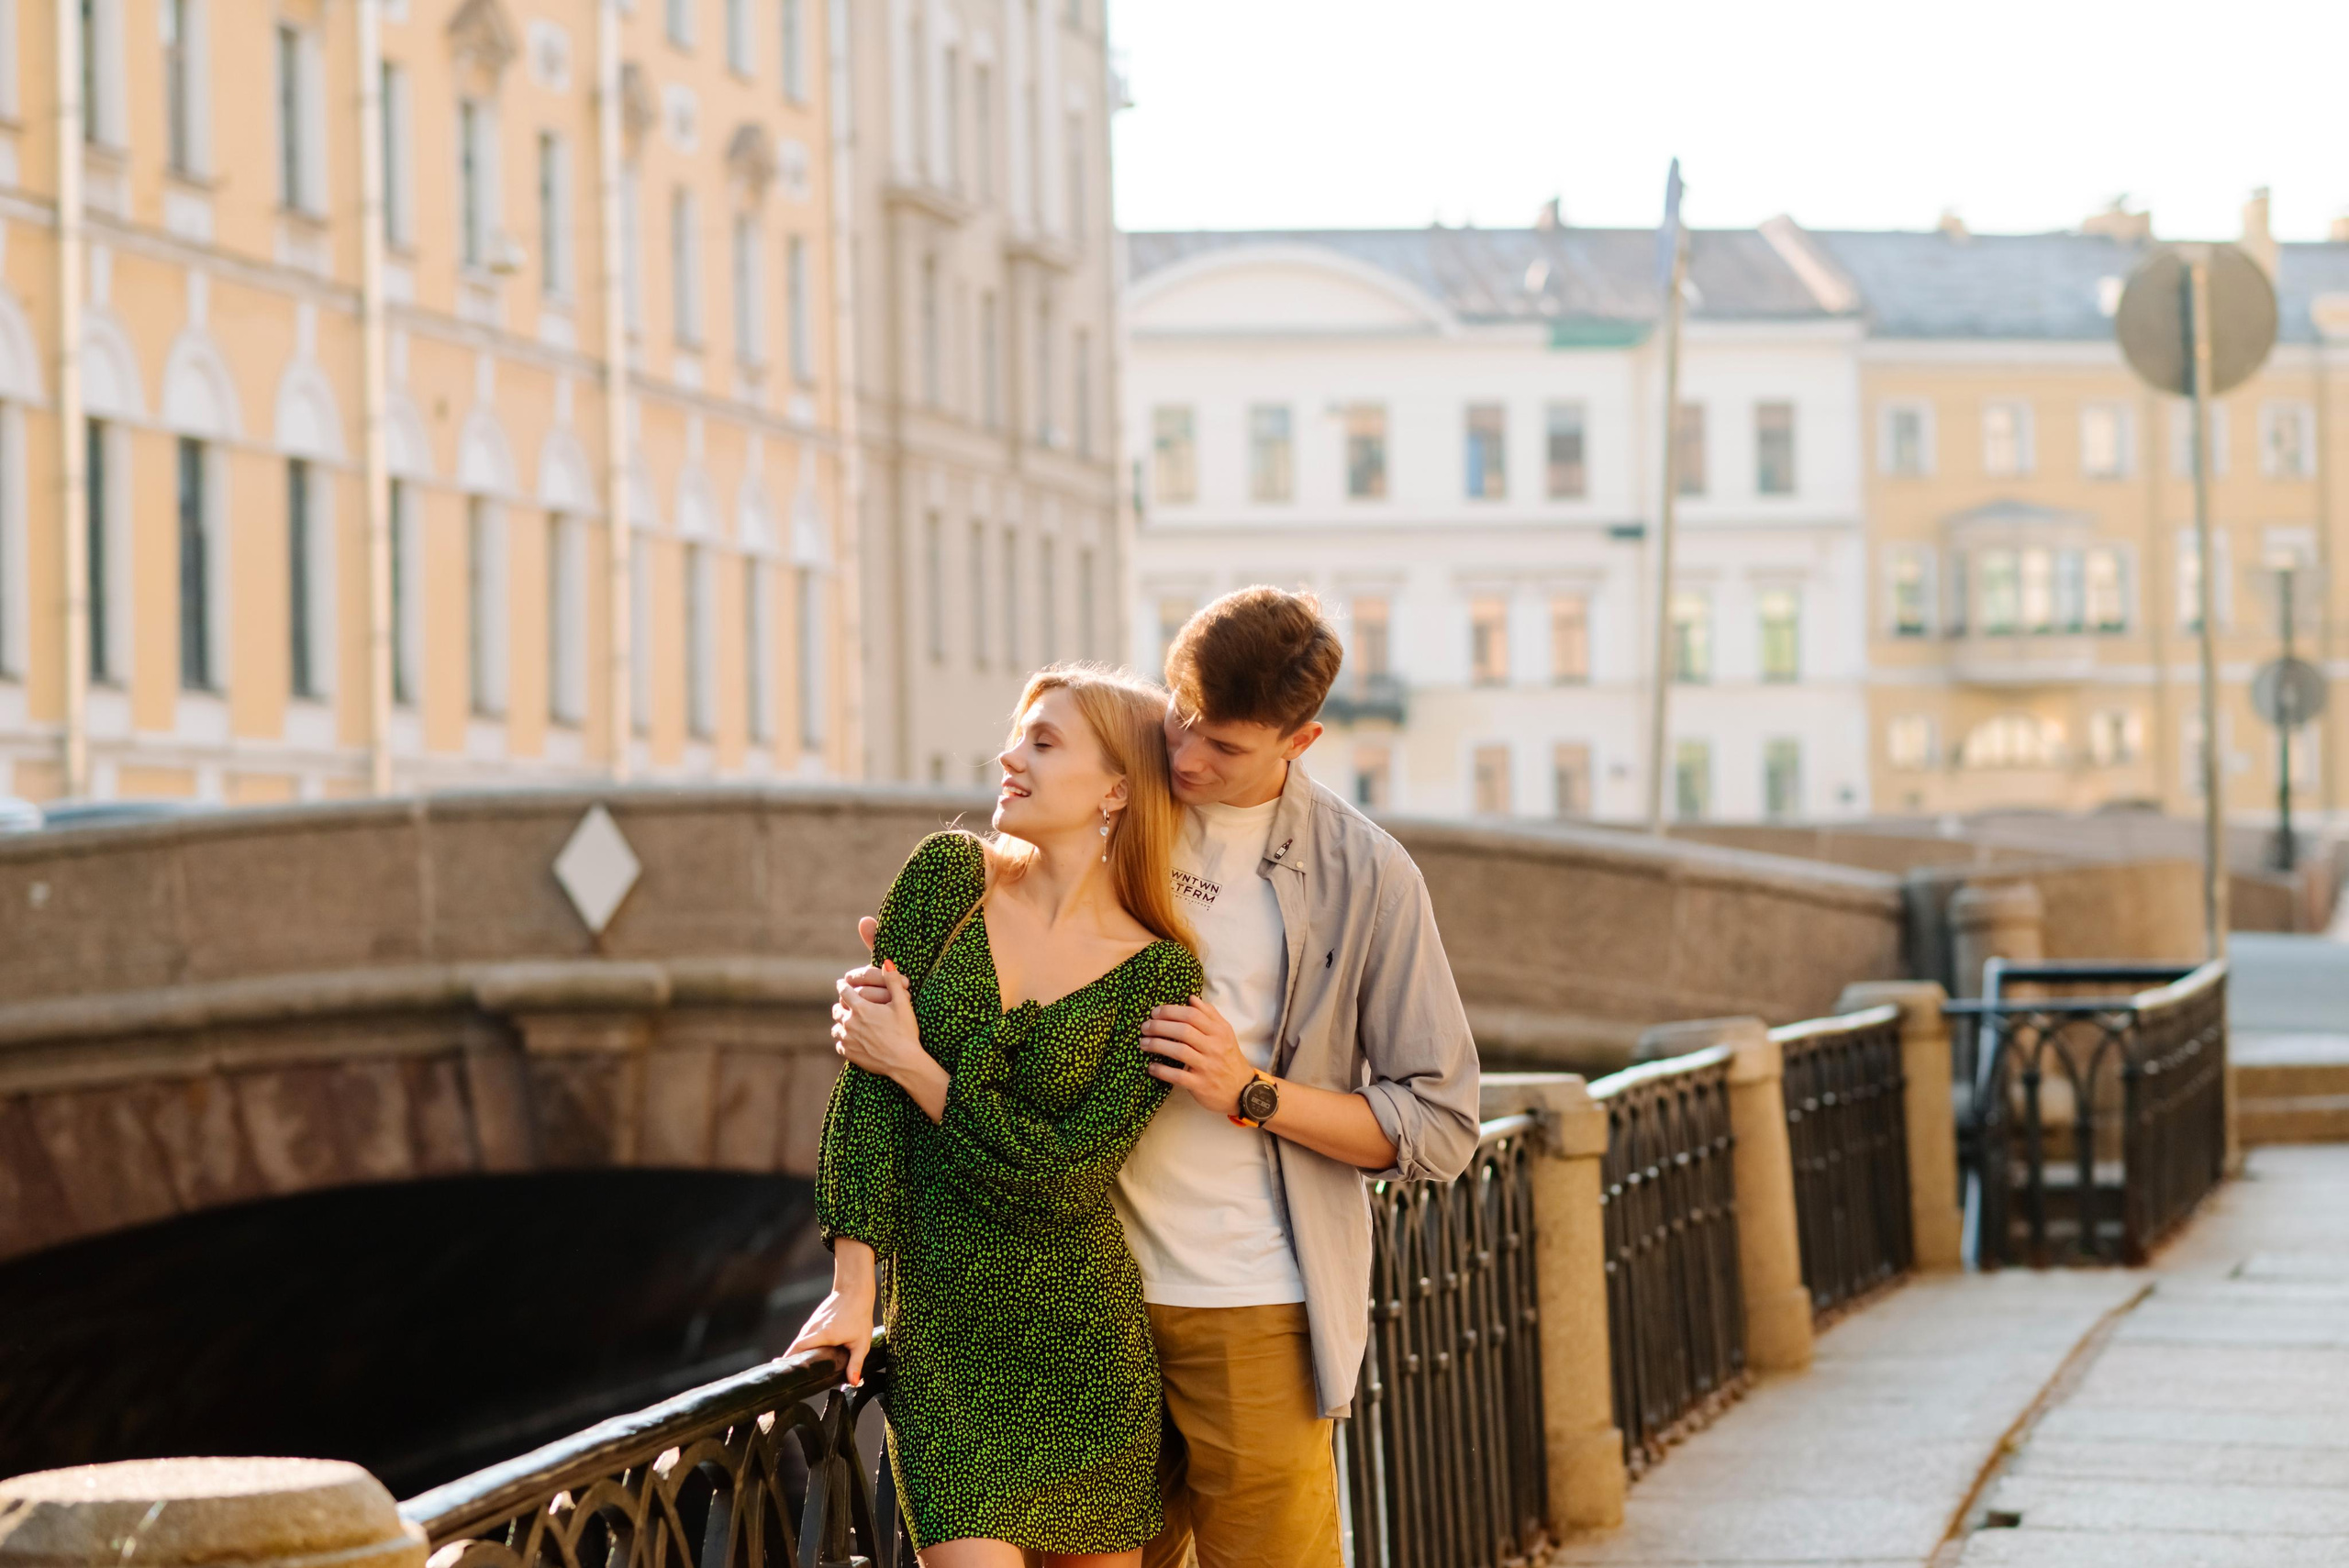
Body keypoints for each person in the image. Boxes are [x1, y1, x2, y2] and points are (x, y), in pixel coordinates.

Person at [838, 588, 1483, 1568]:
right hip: (1068, 1290)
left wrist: (1249, 1089)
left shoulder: (1365, 875)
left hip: (1243, 1302)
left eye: (1222, 745)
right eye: (1179, 718)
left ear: (1299, 740)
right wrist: (902, 990)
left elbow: (1438, 1123)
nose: (1186, 759)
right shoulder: (1120, 800)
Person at [789, 665, 1208, 1568]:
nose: (1007, 756)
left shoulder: (1160, 975)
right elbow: (863, 1089)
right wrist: (853, 1285)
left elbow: (1063, 1176)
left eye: (1043, 741)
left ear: (1117, 790)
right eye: (1018, 734)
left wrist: (914, 1062)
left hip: (1085, 1349)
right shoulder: (946, 879)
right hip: (946, 1348)